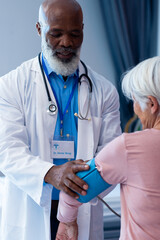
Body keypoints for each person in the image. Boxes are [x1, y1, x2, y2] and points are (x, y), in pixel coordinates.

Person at [0, 0, 121, 240]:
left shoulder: (105, 91)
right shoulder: (11, 85)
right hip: (31, 206)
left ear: (83, 30)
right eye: (55, 34)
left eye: (75, 34)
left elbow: (111, 155)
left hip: (83, 206)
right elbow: (7, 151)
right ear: (38, 29)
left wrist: (76, 194)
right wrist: (51, 172)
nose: (66, 43)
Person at [56, 56, 160, 240]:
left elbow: (73, 190)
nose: (135, 109)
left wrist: (67, 221)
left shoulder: (130, 146)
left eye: (135, 101)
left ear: (152, 104)